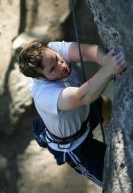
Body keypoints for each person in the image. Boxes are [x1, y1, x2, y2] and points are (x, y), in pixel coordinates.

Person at [18, 40, 126, 187]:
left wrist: (106, 60)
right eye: (52, 70)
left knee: (104, 104)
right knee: (112, 179)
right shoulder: (44, 94)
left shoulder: (50, 52)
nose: (61, 66)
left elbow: (85, 51)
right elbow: (81, 97)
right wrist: (109, 69)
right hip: (74, 145)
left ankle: (116, 135)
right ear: (41, 78)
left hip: (84, 112)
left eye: (57, 58)